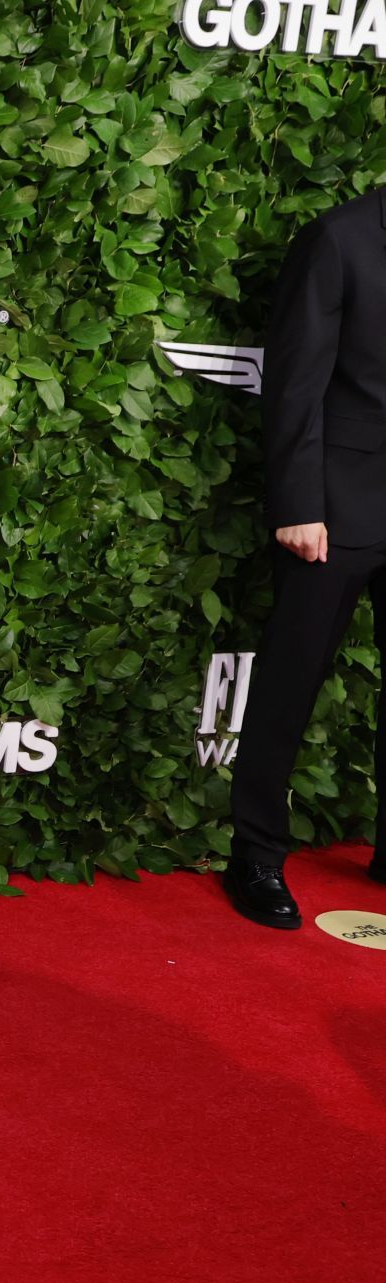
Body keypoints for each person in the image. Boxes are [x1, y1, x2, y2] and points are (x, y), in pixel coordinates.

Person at [223, 184, 386, 928]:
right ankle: (255, 855)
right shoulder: (339, 238)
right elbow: (294, 381)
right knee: (289, 687)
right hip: (337, 506)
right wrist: (298, 505)